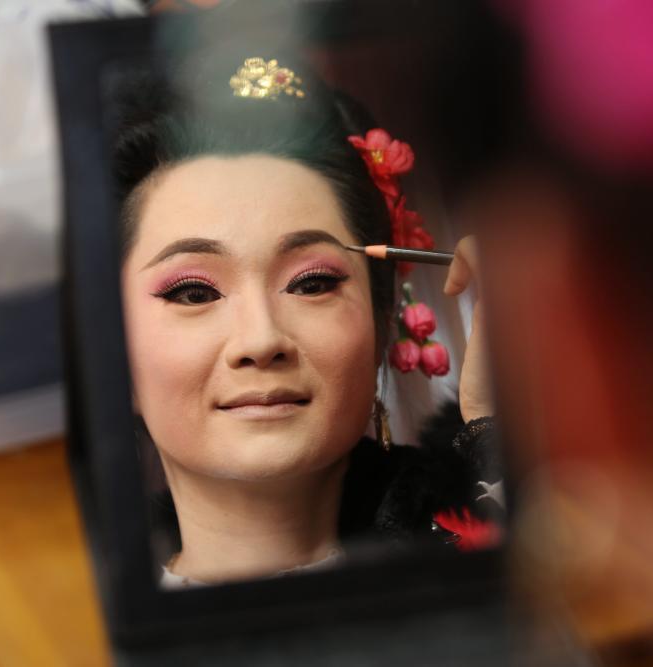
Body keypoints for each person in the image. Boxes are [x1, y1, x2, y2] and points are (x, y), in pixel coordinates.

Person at [111, 46, 503, 589]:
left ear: (382, 319)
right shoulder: (54, 614)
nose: (261, 339)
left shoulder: (504, 542)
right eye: (193, 293)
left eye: (312, 284)